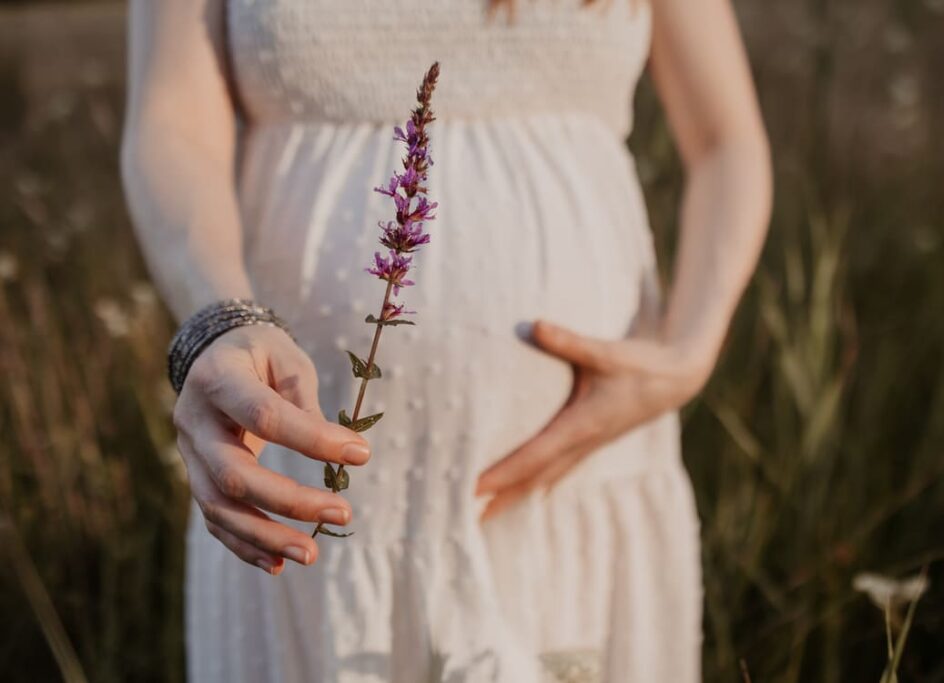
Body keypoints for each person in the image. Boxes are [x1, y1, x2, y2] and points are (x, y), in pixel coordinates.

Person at [120, 0, 771, 681]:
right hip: (302, 495)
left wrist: (691, 350)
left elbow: (726, 137)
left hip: (583, 485)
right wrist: (217, 318)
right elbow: (171, 121)